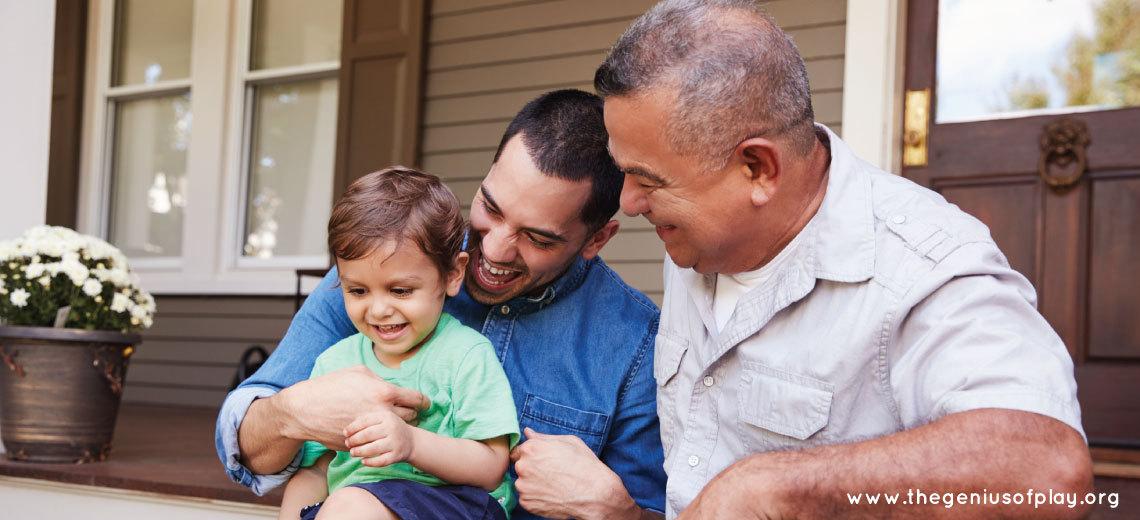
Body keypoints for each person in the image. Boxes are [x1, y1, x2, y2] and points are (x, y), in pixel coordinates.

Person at [594, 0, 1093, 518]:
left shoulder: (921, 264)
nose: (629, 203)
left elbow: (1047, 469)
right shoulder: (696, 233)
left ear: (758, 168)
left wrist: (773, 486)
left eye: (648, 180)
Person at [216, 89, 668, 519]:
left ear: (596, 239)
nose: (493, 249)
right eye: (491, 208)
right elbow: (250, 443)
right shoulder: (382, 270)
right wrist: (296, 411)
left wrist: (614, 510)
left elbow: (649, 508)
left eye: (536, 238)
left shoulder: (633, 343)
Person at [277, 168, 519, 520]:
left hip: (455, 503)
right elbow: (315, 471)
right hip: (354, 507)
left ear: (453, 274)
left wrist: (411, 442)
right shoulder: (335, 365)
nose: (377, 309)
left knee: (349, 505)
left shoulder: (465, 355)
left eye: (400, 290)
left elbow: (491, 466)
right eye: (357, 290)